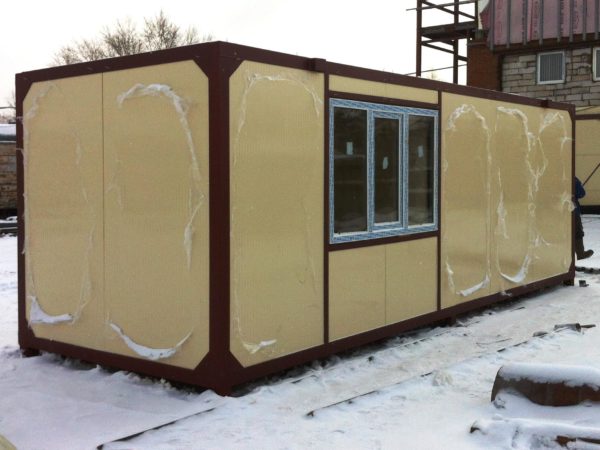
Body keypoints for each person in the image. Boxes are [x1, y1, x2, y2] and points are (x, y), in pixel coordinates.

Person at [574, 176, 594, 260]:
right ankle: (580, 253)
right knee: (577, 231)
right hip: (572, 210)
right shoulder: (571, 178)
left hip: (556, 210)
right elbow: (581, 193)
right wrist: (578, 183)